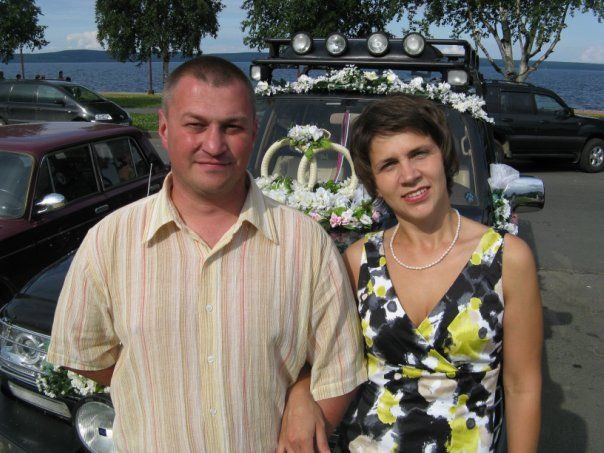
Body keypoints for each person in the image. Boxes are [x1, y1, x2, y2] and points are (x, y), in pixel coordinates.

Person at [47, 56, 366, 451]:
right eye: (196, 125)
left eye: (232, 127)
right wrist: (153, 380)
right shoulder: (108, 242)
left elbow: (338, 370)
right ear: (164, 129)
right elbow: (85, 353)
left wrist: (299, 388)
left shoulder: (306, 244)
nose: (214, 146)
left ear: (253, 132)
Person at [281, 95, 543, 452]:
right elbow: (323, 360)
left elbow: (522, 385)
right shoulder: (359, 262)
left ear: (444, 156)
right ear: (374, 182)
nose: (409, 175)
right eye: (389, 164)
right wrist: (300, 393)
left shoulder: (507, 259)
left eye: (419, 153)